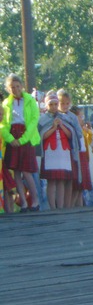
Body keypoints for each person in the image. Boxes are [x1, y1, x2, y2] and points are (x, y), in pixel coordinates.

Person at [1, 74, 41, 212]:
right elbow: (3, 124)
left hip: (26, 136)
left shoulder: (29, 100)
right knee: (16, 171)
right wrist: (10, 139)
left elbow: (34, 120)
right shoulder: (6, 103)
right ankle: (23, 202)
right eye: (12, 87)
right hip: (13, 136)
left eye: (17, 86)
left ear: (22, 86)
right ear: (8, 88)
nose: (15, 89)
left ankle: (35, 200)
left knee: (26, 170)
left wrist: (23, 139)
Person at [38, 91, 78, 210]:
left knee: (61, 180)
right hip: (50, 151)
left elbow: (72, 135)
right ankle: (52, 207)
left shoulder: (65, 118)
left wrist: (61, 126)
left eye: (56, 104)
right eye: (51, 104)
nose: (54, 107)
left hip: (63, 151)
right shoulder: (42, 119)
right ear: (46, 105)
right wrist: (53, 127)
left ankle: (60, 207)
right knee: (51, 180)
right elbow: (41, 136)